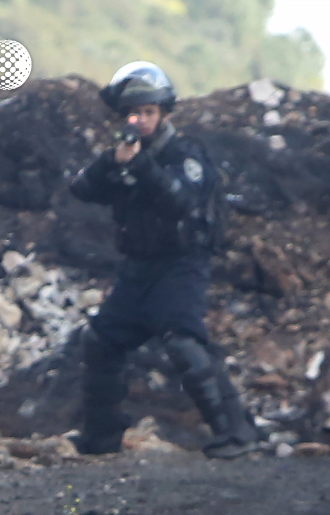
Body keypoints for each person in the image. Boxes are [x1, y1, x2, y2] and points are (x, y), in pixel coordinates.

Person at [68, 60, 258, 460]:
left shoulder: (185, 154)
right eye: (134, 113)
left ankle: (234, 433)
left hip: (181, 263)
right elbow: (82, 189)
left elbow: (180, 201)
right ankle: (100, 437)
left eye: (149, 113)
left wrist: (140, 165)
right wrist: (112, 162)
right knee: (100, 340)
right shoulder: (126, 155)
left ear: (164, 113)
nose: (141, 121)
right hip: (138, 266)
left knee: (183, 341)